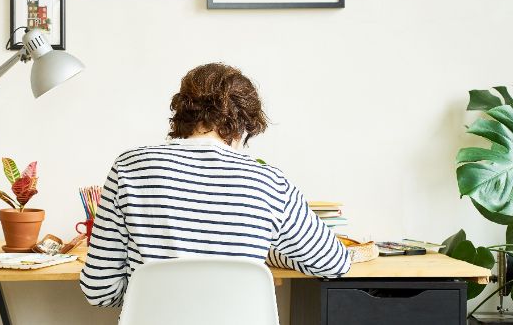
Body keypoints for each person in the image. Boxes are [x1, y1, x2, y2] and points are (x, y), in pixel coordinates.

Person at [79, 63, 350, 307]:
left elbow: (98, 290)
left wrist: (151, 296)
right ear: (244, 125)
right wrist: (263, 255)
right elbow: (334, 261)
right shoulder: (268, 181)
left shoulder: (129, 166)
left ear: (182, 113)